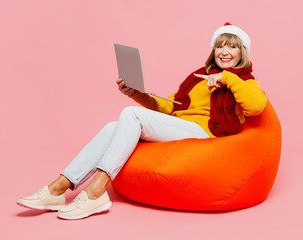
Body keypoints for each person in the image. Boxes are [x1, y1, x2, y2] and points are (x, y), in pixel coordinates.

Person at [17, 22, 267, 220]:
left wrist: (228, 79)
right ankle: (58, 188)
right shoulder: (198, 78)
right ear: (213, 50)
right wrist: (136, 93)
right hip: (181, 127)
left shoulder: (245, 81)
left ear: (242, 52)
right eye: (220, 46)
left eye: (232, 47)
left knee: (130, 115)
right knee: (111, 127)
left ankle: (97, 190)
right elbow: (171, 107)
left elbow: (256, 106)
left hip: (206, 135)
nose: (225, 52)